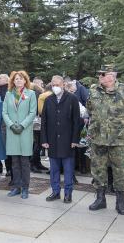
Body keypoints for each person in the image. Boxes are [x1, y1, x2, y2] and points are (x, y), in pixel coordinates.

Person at [86, 64, 124, 215]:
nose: (99, 77)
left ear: (111, 76)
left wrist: (119, 125)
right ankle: (100, 199)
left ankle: (120, 202)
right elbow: (90, 108)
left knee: (119, 172)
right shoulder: (94, 90)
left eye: (102, 74)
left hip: (117, 140)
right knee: (98, 170)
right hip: (97, 138)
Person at [41, 75, 80, 203]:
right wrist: (44, 139)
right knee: (54, 169)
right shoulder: (48, 100)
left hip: (68, 140)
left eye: (57, 84)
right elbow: (44, 121)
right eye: (53, 84)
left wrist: (75, 139)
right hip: (52, 140)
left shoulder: (72, 99)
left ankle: (68, 193)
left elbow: (76, 121)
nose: (55, 87)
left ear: (63, 85)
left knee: (68, 169)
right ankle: (55, 191)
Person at [3, 70, 37, 199]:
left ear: (25, 81)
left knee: (24, 162)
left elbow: (32, 112)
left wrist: (22, 125)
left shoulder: (31, 94)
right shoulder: (8, 94)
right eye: (16, 79)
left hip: (24, 131)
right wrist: (11, 125)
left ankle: (25, 188)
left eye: (20, 78)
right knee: (14, 162)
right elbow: (4, 112)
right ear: (12, 81)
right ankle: (16, 187)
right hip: (12, 132)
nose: (18, 81)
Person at [0, 73, 12, 180]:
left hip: (7, 123)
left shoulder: (9, 91)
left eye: (0, 78)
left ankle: (11, 169)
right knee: (2, 147)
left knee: (8, 147)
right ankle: (7, 168)